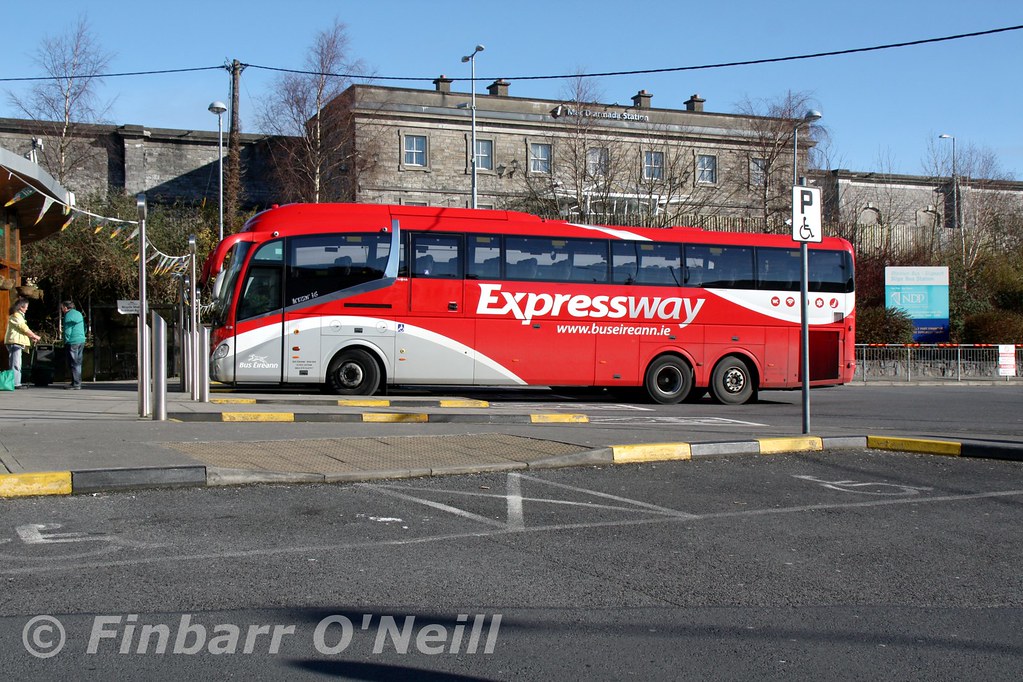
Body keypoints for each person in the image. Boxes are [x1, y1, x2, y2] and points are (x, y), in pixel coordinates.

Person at [5, 297, 41, 388]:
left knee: (16, 363)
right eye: (26, 307)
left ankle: (15, 382)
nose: (27, 309)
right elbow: (23, 328)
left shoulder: (19, 316)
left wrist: (31, 337)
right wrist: (34, 335)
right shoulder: (16, 315)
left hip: (17, 342)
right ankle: (15, 383)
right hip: (14, 342)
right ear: (21, 307)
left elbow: (22, 330)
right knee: (15, 363)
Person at [61, 300, 86, 389]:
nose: (61, 309)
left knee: (73, 362)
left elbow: (68, 330)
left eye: (62, 307)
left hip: (72, 341)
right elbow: (84, 326)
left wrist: (66, 340)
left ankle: (76, 384)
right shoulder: (79, 313)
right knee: (78, 362)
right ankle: (76, 382)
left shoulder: (68, 315)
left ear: (65, 307)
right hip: (81, 340)